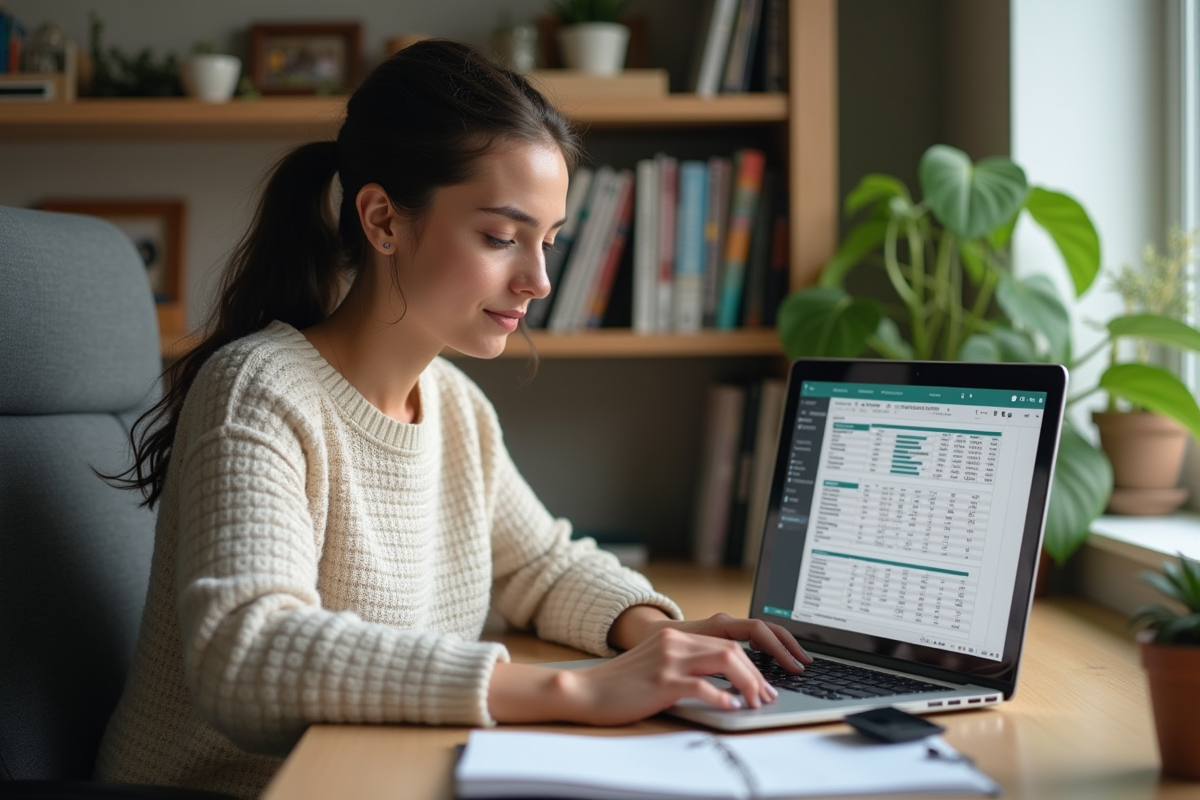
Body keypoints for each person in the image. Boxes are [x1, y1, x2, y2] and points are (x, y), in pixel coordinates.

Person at [95, 39, 810, 799]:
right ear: (382, 220)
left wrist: (657, 633)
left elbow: (540, 565)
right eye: (502, 237)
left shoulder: (455, 404)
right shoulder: (260, 390)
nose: (538, 280)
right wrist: (577, 689)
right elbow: (247, 654)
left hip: (379, 776)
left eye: (549, 242)